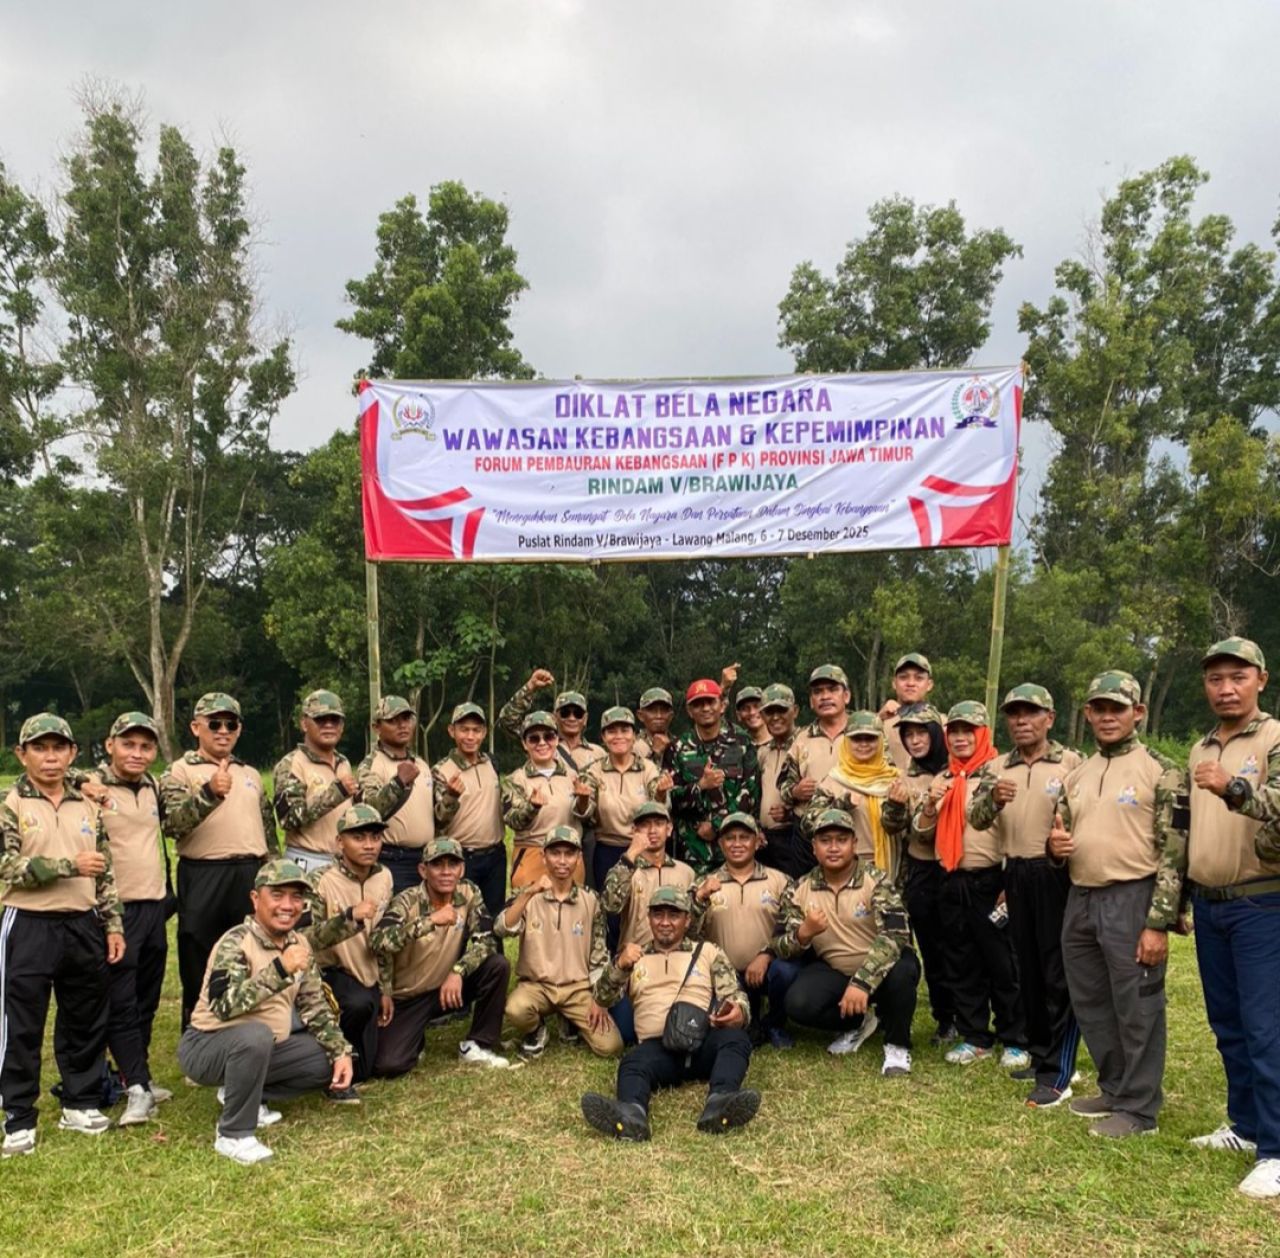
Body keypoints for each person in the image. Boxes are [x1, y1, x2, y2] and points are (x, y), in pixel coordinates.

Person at [1049, 670, 1187, 1139]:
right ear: (1088, 714)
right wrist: (1054, 848)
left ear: (1138, 713)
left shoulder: (1161, 770)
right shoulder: (1079, 773)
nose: (1108, 717)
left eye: (1118, 708)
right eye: (1099, 709)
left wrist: (1159, 922)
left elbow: (1175, 849)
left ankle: (1140, 1108)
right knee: (1092, 1000)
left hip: (1132, 896)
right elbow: (1060, 834)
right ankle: (1113, 1087)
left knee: (1137, 1004)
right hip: (1081, 896)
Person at [1, 714, 124, 1157]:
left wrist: (111, 923)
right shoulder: (10, 801)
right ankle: (18, 1116)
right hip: (28, 922)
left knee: (85, 1014)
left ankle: (81, 1101)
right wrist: (70, 865)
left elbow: (104, 869)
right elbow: (8, 867)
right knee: (22, 1021)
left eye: (58, 748)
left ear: (72, 753)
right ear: (22, 754)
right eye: (39, 748)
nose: (49, 757)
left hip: (82, 922)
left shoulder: (87, 802)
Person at [178, 858, 354, 1165]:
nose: (288, 905)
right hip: (205, 1046)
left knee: (324, 1060)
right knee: (255, 1035)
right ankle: (233, 1134)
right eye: (277, 895)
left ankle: (244, 1094)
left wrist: (340, 1052)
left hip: (260, 1048)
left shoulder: (298, 942)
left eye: (296, 897)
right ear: (255, 898)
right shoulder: (235, 942)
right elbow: (223, 1007)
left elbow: (314, 1004)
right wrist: (279, 970)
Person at [1184, 638, 1280, 1197]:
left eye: (1237, 677)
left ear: (1260, 680)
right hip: (1212, 902)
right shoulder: (1200, 748)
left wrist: (1235, 787)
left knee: (1266, 1027)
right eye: (1216, 678)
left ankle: (1276, 1146)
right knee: (1229, 1025)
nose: (1226, 687)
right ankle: (1245, 1127)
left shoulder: (1273, 736)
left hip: (1262, 901)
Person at [969, 684, 1083, 1107]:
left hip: (1053, 871)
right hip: (1014, 870)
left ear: (1049, 718)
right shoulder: (997, 767)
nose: (1021, 721)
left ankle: (1060, 1068)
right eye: (1014, 714)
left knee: (1057, 971)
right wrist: (993, 801)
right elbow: (975, 819)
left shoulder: (1071, 762)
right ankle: (1039, 1055)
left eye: (1030, 713)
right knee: (1027, 968)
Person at [581, 885, 757, 1141]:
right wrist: (619, 966)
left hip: (701, 1042)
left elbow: (735, 994)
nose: (665, 922)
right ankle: (632, 1115)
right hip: (657, 1049)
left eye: (673, 915)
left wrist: (738, 1011)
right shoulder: (634, 957)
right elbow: (602, 997)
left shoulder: (707, 952)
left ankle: (720, 1102)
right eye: (658, 915)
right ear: (649, 918)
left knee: (736, 1040)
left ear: (687, 920)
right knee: (632, 1064)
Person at [913, 701, 1026, 1068]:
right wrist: (930, 808)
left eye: (968, 732)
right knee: (960, 960)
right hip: (950, 878)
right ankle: (975, 1035)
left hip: (990, 879)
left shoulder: (1000, 773)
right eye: (954, 732)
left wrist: (1010, 882)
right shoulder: (943, 778)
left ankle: (1015, 1038)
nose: (961, 739)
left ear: (982, 733)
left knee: (1002, 963)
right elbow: (923, 834)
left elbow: (1015, 830)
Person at [161, 693, 278, 1028]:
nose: (223, 730)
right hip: (204, 872)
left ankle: (246, 1022)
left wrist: (273, 872)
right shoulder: (179, 771)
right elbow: (172, 824)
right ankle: (198, 1029)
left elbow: (268, 829)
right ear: (196, 727)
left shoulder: (251, 774)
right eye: (214, 723)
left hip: (249, 872)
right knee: (199, 952)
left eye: (231, 724)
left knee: (250, 949)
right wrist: (209, 792)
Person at [774, 808, 919, 1076]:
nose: (833, 848)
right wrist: (803, 933)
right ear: (814, 847)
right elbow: (780, 945)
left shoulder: (877, 880)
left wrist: (862, 982)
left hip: (882, 969)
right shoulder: (799, 888)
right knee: (798, 1002)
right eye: (825, 840)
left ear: (854, 844)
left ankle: (897, 1045)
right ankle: (858, 1022)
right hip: (837, 970)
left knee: (904, 971)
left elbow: (895, 936)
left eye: (841, 840)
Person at [81, 711, 172, 1126]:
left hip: (154, 906)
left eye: (146, 746)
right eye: (129, 744)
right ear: (109, 744)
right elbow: (53, 780)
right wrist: (80, 783)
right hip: (117, 910)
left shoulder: (151, 785)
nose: (137, 753)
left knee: (147, 998)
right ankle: (134, 1089)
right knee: (120, 1000)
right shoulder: (91, 784)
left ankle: (137, 1075)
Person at [369, 837, 511, 1074]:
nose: (446, 872)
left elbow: (486, 939)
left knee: (498, 965)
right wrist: (428, 922)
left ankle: (478, 1044)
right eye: (437, 865)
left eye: (453, 864)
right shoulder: (407, 901)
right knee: (389, 1065)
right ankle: (415, 1039)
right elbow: (378, 941)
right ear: (423, 870)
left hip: (446, 987)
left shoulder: (468, 891)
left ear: (462, 869)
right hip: (408, 997)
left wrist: (458, 971)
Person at [496, 825, 622, 1059]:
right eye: (555, 853)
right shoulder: (530, 895)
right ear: (543, 857)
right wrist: (527, 895)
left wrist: (600, 1000)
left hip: (576, 989)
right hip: (537, 986)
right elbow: (502, 928)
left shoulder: (590, 899)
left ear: (578, 858)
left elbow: (598, 956)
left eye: (569, 854)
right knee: (516, 1009)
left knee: (610, 1046)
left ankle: (570, 1019)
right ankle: (537, 1029)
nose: (562, 861)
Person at [303, 804, 395, 1087]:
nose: (369, 845)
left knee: (374, 1067)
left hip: (369, 977)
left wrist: (386, 988)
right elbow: (304, 937)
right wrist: (348, 918)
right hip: (332, 975)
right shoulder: (319, 880)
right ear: (339, 842)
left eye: (375, 837)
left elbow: (384, 937)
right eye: (359, 837)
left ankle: (349, 1060)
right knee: (358, 1004)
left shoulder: (385, 876)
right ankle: (329, 1061)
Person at [690, 813, 799, 1048]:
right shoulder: (705, 882)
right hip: (723, 973)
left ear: (757, 841)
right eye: (730, 838)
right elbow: (687, 933)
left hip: (766, 968)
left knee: (786, 972)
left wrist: (767, 955)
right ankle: (747, 1023)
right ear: (720, 844)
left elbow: (793, 928)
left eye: (744, 837)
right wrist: (699, 899)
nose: (737, 844)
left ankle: (774, 1023)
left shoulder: (779, 881)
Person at [881, 704, 956, 1044]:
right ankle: (945, 1019)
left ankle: (974, 1017)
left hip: (957, 867)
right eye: (908, 734)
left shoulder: (960, 771)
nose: (914, 740)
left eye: (921, 732)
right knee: (932, 948)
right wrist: (896, 805)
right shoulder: (905, 779)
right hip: (922, 871)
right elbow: (892, 827)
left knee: (962, 945)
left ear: (936, 733)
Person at [357, 695, 459, 896]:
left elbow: (438, 820)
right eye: (393, 721)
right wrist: (398, 783)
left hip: (425, 859)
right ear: (377, 727)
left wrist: (451, 798)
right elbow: (368, 815)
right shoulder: (372, 765)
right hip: (392, 859)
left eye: (406, 719)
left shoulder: (421, 764)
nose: (402, 725)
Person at [665, 678, 760, 873]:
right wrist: (700, 786)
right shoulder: (677, 748)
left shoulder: (741, 741)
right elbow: (670, 798)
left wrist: (717, 825)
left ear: (722, 705)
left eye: (710, 702)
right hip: (692, 850)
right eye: (698, 704)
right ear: (690, 711)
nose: (705, 708)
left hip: (736, 847)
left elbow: (751, 792)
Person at [575, 705, 671, 892]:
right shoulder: (593, 771)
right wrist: (583, 800)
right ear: (603, 737)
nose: (619, 736)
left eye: (625, 730)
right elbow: (586, 816)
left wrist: (660, 793)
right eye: (611, 731)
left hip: (644, 848)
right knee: (611, 908)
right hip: (606, 849)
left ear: (634, 736)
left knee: (643, 904)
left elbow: (657, 805)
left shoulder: (648, 768)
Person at [804, 711, 903, 879]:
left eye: (870, 738)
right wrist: (841, 805)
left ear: (880, 741)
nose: (863, 744)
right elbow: (808, 825)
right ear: (847, 742)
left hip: (889, 868)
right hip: (843, 870)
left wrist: (896, 806)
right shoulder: (833, 781)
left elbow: (900, 828)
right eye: (857, 739)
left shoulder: (893, 780)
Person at [272, 689, 360, 874]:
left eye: (334, 720)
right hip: (307, 860)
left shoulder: (343, 762)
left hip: (342, 862)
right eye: (320, 719)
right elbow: (289, 819)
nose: (328, 725)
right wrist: (336, 793)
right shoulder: (291, 763)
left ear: (342, 726)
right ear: (304, 724)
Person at [434, 702, 506, 916]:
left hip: (495, 856)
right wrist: (450, 797)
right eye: (464, 729)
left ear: (484, 733)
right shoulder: (442, 770)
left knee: (494, 918)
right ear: (451, 731)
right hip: (462, 857)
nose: (470, 736)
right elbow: (438, 820)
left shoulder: (491, 764)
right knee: (461, 919)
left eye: (476, 730)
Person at [502, 710, 586, 889]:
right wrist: (531, 807)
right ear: (525, 744)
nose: (542, 743)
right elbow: (512, 820)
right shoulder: (515, 780)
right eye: (534, 738)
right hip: (532, 852)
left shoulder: (573, 776)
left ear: (556, 740)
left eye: (548, 736)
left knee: (572, 910)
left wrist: (584, 801)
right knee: (530, 911)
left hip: (568, 854)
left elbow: (587, 816)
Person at [779, 664, 854, 831]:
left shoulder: (863, 733)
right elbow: (783, 784)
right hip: (808, 832)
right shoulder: (802, 738)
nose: (825, 696)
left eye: (833, 689)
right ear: (811, 701)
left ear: (846, 696)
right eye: (818, 692)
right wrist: (795, 791)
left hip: (853, 828)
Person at [756, 684, 808, 879]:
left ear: (794, 711)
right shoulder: (763, 752)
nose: (776, 717)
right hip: (766, 840)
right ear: (762, 716)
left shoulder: (805, 743)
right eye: (769, 711)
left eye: (781, 710)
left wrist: (790, 812)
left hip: (795, 836)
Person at [879, 653, 937, 771]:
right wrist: (878, 720)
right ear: (894, 683)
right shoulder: (882, 723)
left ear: (929, 684)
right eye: (903, 677)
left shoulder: (942, 724)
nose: (911, 683)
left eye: (919, 678)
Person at [635, 687, 676, 764]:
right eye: (652, 710)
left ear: (671, 716)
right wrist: (655, 754)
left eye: (664, 710)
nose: (659, 716)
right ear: (640, 715)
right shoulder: (632, 748)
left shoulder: (680, 745)